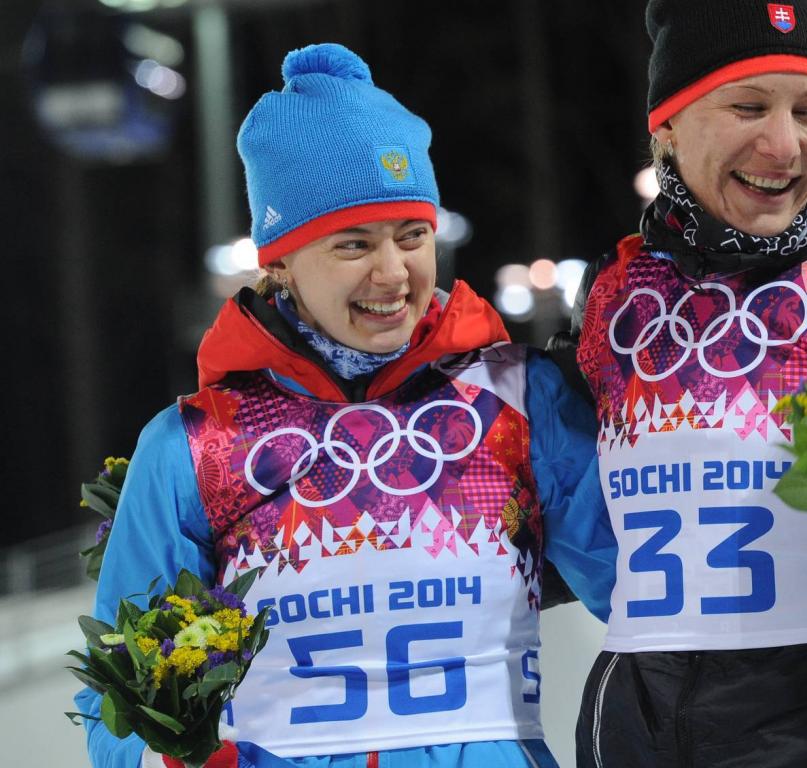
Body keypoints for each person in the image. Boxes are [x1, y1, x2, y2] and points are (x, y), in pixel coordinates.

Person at [74, 43, 613, 768]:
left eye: (412, 236)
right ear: (280, 261)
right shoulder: (195, 447)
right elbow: (120, 689)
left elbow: (648, 591)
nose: (394, 273)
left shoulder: (518, 401)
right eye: (353, 244)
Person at [550, 1, 807, 763]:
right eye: (748, 107)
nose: (783, 145)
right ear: (666, 127)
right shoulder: (618, 293)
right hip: (637, 712)